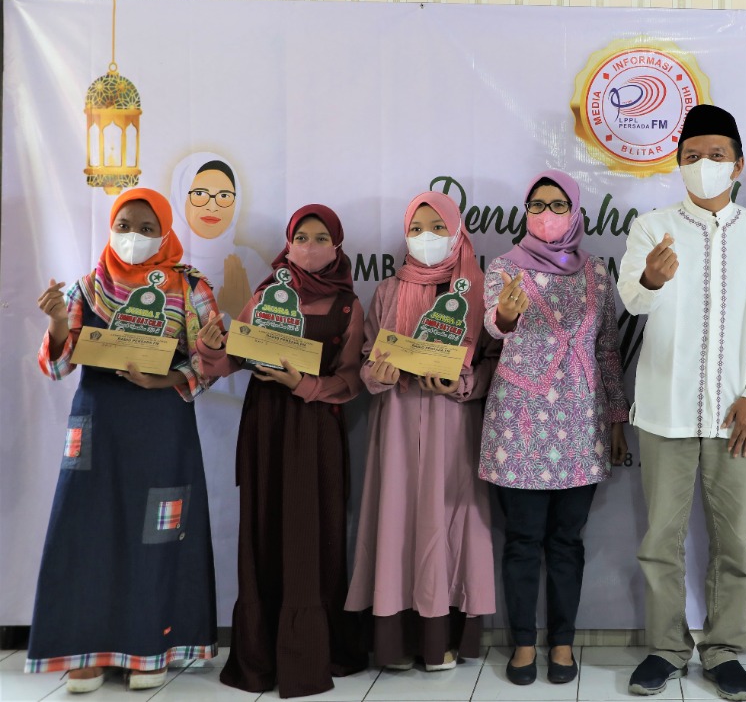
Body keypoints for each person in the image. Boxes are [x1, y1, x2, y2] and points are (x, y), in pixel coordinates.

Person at [618, 105, 746, 702]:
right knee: (660, 539)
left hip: (736, 412)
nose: (704, 165)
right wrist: (653, 280)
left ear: (738, 164)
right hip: (664, 408)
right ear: (677, 163)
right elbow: (633, 300)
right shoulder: (651, 227)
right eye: (692, 156)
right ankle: (666, 649)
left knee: (734, 542)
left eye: (716, 155)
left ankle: (723, 651)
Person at [28, 188, 220, 693]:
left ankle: (148, 648)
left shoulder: (190, 287)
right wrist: (56, 322)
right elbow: (57, 367)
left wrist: (168, 378)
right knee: (87, 532)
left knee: (157, 535)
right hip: (97, 432)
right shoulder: (87, 288)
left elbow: (211, 362)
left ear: (165, 233)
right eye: (124, 226)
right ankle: (85, 651)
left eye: (146, 228)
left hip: (162, 424)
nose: (133, 236)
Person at [196, 205, 367, 698]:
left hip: (316, 429)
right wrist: (212, 346)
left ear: (337, 245)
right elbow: (230, 360)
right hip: (265, 427)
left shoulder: (348, 305)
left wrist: (304, 385)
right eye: (301, 237)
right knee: (265, 527)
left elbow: (351, 380)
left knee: (314, 533)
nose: (310, 247)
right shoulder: (267, 292)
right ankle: (261, 656)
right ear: (287, 244)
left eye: (321, 238)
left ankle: (315, 652)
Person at [480, 171, 629, 686]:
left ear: (576, 211)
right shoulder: (504, 268)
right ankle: (524, 642)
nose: (547, 214)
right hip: (519, 420)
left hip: (580, 421)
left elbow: (607, 350)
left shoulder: (597, 273)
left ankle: (562, 642)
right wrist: (504, 314)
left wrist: (616, 418)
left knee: (567, 540)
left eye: (558, 204)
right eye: (537, 204)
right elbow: (494, 326)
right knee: (522, 539)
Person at [345, 192, 498, 672]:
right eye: (416, 228)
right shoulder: (389, 290)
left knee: (447, 522)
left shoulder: (477, 289)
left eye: (437, 228)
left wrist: (462, 384)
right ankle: (396, 643)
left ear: (457, 232)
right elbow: (367, 357)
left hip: (452, 422)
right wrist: (378, 375)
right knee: (396, 520)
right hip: (396, 420)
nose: (425, 237)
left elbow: (494, 363)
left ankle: (441, 640)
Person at [168, 152, 269, 322]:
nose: (213, 207)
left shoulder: (250, 264)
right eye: (200, 194)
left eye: (224, 196)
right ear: (180, 197)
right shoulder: (161, 263)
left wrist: (241, 311)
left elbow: (269, 331)